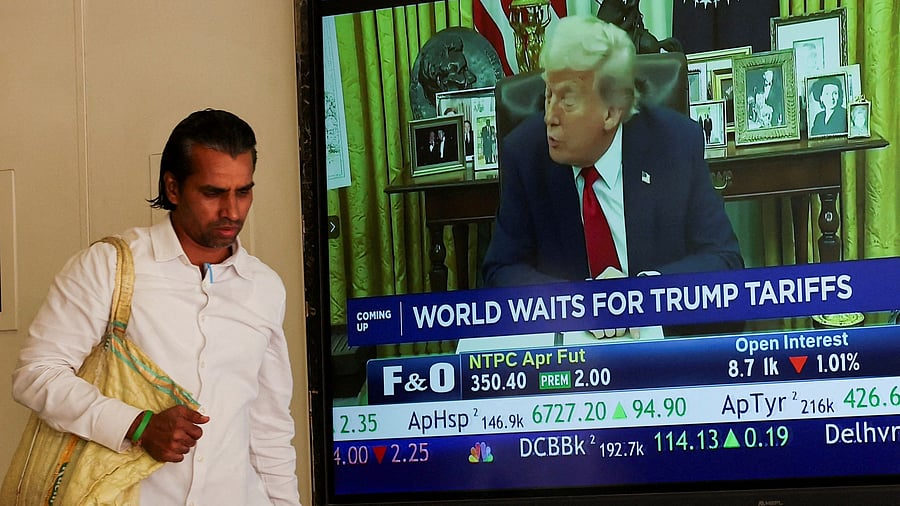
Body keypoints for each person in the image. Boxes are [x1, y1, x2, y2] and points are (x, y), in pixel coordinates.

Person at [11, 109, 301, 505]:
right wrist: (136, 425)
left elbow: (270, 427)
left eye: (244, 191)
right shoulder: (111, 266)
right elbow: (36, 374)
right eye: (214, 192)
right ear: (174, 187)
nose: (232, 211)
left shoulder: (264, 287)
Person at [482, 15, 742, 289]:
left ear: (611, 112)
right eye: (548, 95)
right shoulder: (525, 154)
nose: (550, 116)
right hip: (570, 327)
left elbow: (724, 261)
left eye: (567, 100)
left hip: (655, 324)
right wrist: (581, 301)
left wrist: (641, 292)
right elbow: (502, 271)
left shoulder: (674, 145)